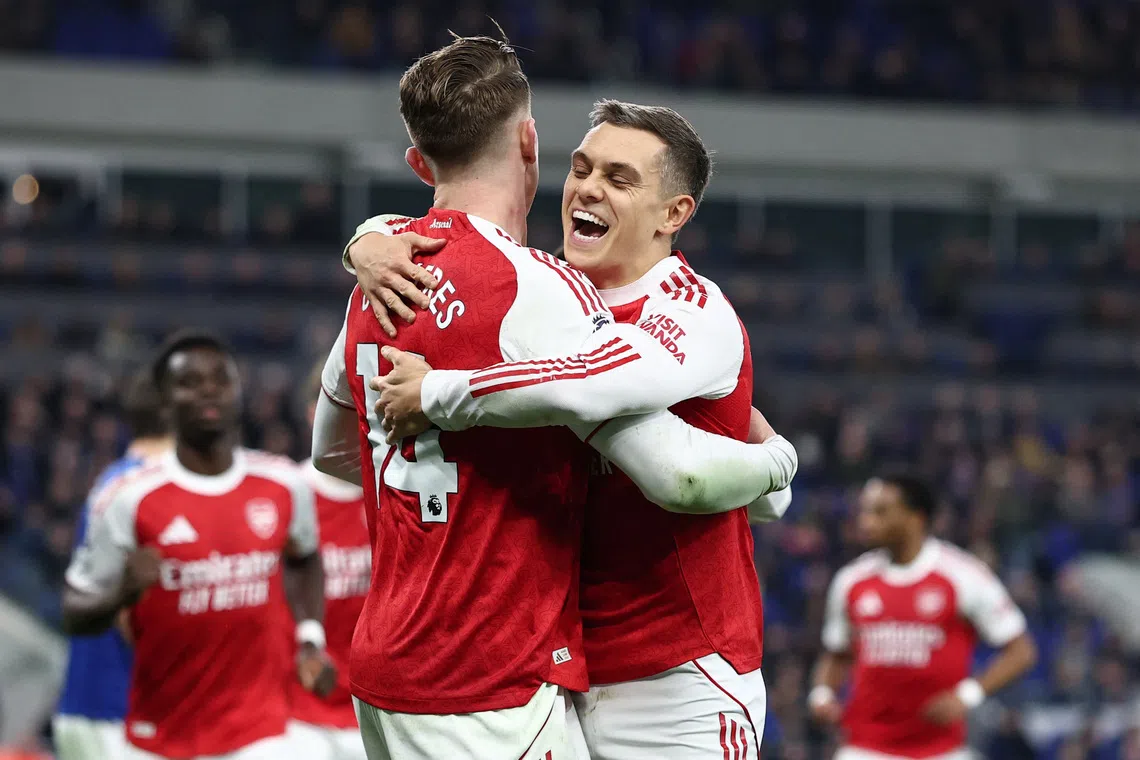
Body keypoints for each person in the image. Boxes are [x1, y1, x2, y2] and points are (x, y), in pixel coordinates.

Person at [311, 34, 796, 760]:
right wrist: (364, 240)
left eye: (620, 179)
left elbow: (676, 467)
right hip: (548, 668)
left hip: (675, 678)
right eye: (582, 168)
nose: (589, 188)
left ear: (674, 214)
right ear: (534, 148)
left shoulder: (691, 314)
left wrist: (779, 466)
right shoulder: (541, 290)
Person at [61, 330, 331, 760]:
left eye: (221, 379)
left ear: (239, 392)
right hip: (163, 737)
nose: (209, 389)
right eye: (190, 381)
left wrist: (310, 636)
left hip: (262, 733)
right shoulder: (128, 497)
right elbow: (75, 613)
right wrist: (122, 593)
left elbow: (306, 557)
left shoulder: (282, 484)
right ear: (166, 402)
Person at [808, 473, 1038, 760]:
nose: (866, 521)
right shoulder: (851, 581)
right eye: (865, 511)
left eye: (880, 512)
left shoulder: (963, 575)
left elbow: (1021, 651)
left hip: (942, 750)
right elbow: (837, 653)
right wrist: (822, 695)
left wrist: (967, 695)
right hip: (866, 748)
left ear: (915, 518)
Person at [54, 370, 171, 760]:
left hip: (89, 707)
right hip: (120, 716)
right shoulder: (150, 491)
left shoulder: (113, 481)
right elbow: (132, 613)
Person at [286, 366, 370, 760]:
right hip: (296, 716)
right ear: (313, 413)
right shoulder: (285, 496)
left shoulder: (397, 492)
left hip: (376, 711)